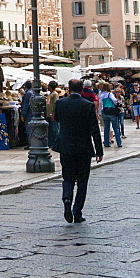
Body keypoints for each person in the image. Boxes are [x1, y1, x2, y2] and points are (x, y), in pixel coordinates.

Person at [54, 79, 103, 223]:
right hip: (83, 148)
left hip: (66, 147)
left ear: (68, 89)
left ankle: (67, 199)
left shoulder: (60, 104)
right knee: (82, 181)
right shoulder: (87, 106)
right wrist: (99, 151)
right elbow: (94, 130)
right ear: (82, 89)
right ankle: (77, 212)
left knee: (67, 178)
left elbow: (57, 119)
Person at [98, 82, 122, 148]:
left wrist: (98, 112)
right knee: (115, 127)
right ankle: (119, 143)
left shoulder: (101, 94)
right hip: (112, 112)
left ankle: (106, 142)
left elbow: (100, 103)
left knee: (106, 128)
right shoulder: (110, 94)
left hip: (104, 111)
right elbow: (114, 100)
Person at [46, 80, 61, 151]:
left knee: (55, 129)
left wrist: (53, 114)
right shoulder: (50, 94)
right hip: (48, 114)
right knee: (51, 130)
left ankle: (57, 142)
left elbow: (55, 104)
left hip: (52, 114)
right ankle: (51, 143)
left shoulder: (55, 94)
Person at [19, 80, 33, 146]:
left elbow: (26, 105)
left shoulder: (27, 94)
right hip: (32, 113)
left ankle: (30, 143)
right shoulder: (32, 92)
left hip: (28, 114)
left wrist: (23, 115)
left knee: (28, 129)